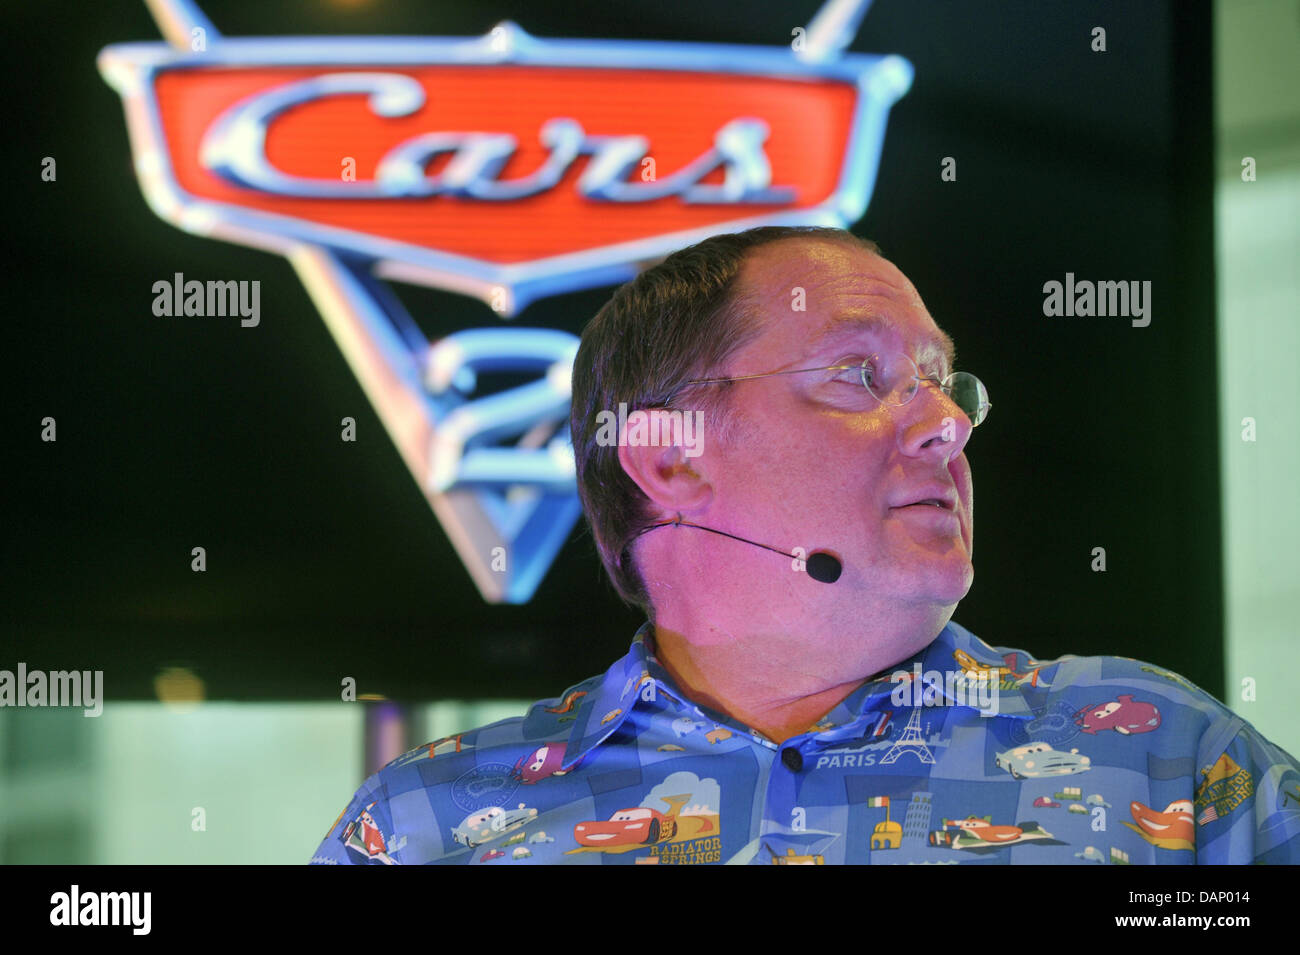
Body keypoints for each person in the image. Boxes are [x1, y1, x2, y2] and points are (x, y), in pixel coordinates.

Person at [310, 226, 1300, 865]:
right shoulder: (422, 827)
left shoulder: (1169, 757)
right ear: (671, 459)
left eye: (944, 383)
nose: (945, 425)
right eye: (860, 376)